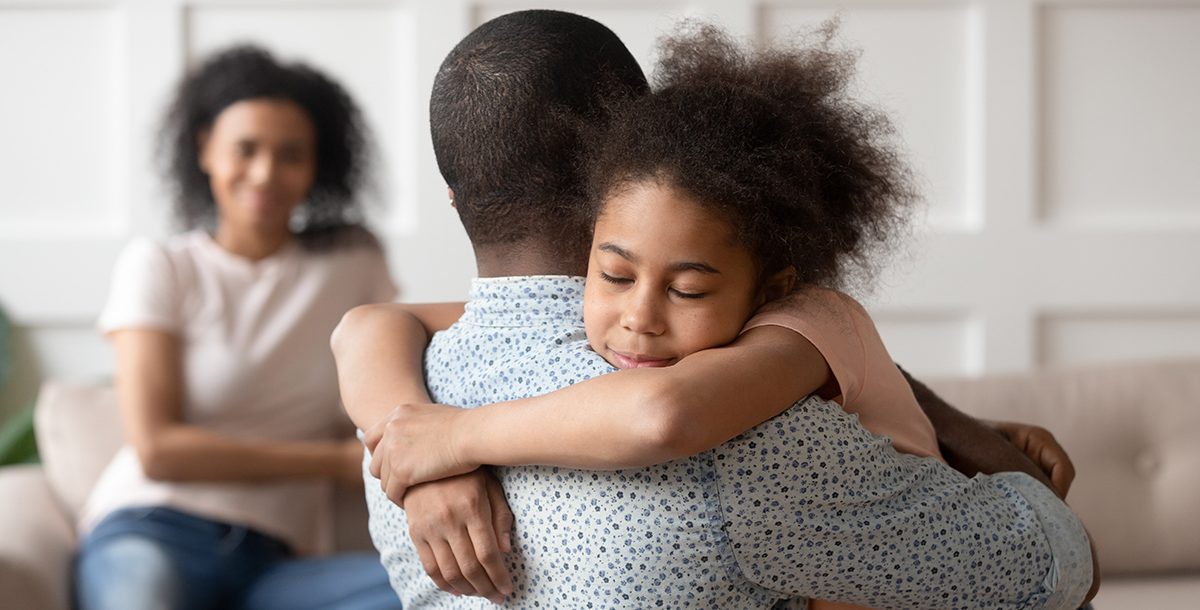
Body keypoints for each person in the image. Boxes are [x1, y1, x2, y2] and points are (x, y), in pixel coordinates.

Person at [334, 11, 1097, 609]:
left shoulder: (397, 430)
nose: (643, 318)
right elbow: (1056, 566)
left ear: (452, 194)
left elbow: (368, 324)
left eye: (688, 289)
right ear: (616, 165)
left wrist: (444, 439)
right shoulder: (744, 433)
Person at [75, 46, 402, 610]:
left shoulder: (354, 262)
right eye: (245, 149)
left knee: (439, 592)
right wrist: (329, 463)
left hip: (278, 564)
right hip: (152, 530)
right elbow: (157, 450)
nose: (265, 173)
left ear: (317, 163)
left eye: (291, 154)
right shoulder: (161, 266)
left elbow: (395, 385)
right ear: (205, 149)